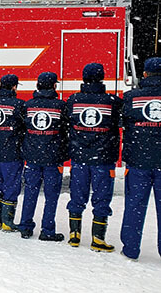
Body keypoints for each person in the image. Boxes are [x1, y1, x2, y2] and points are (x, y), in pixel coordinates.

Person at [66, 63, 122, 251]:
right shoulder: (112, 101)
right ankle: (98, 239)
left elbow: (68, 125)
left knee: (77, 196)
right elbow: (120, 124)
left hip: (79, 157)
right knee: (102, 198)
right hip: (103, 159)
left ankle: (74, 236)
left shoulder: (73, 100)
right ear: (102, 77)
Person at [18, 72, 68, 240]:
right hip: (53, 158)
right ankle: (47, 230)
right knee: (51, 196)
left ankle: (25, 226)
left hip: (32, 157)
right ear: (54, 86)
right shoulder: (61, 106)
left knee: (30, 192)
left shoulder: (28, 105)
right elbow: (66, 131)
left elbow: (22, 129)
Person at [120, 57, 161, 260]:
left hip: (138, 162)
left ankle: (130, 248)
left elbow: (122, 122)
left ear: (145, 74)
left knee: (135, 206)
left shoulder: (131, 97)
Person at [0, 74, 25, 232]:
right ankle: (8, 222)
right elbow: (24, 127)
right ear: (14, 87)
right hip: (12, 153)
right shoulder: (18, 104)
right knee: (11, 186)